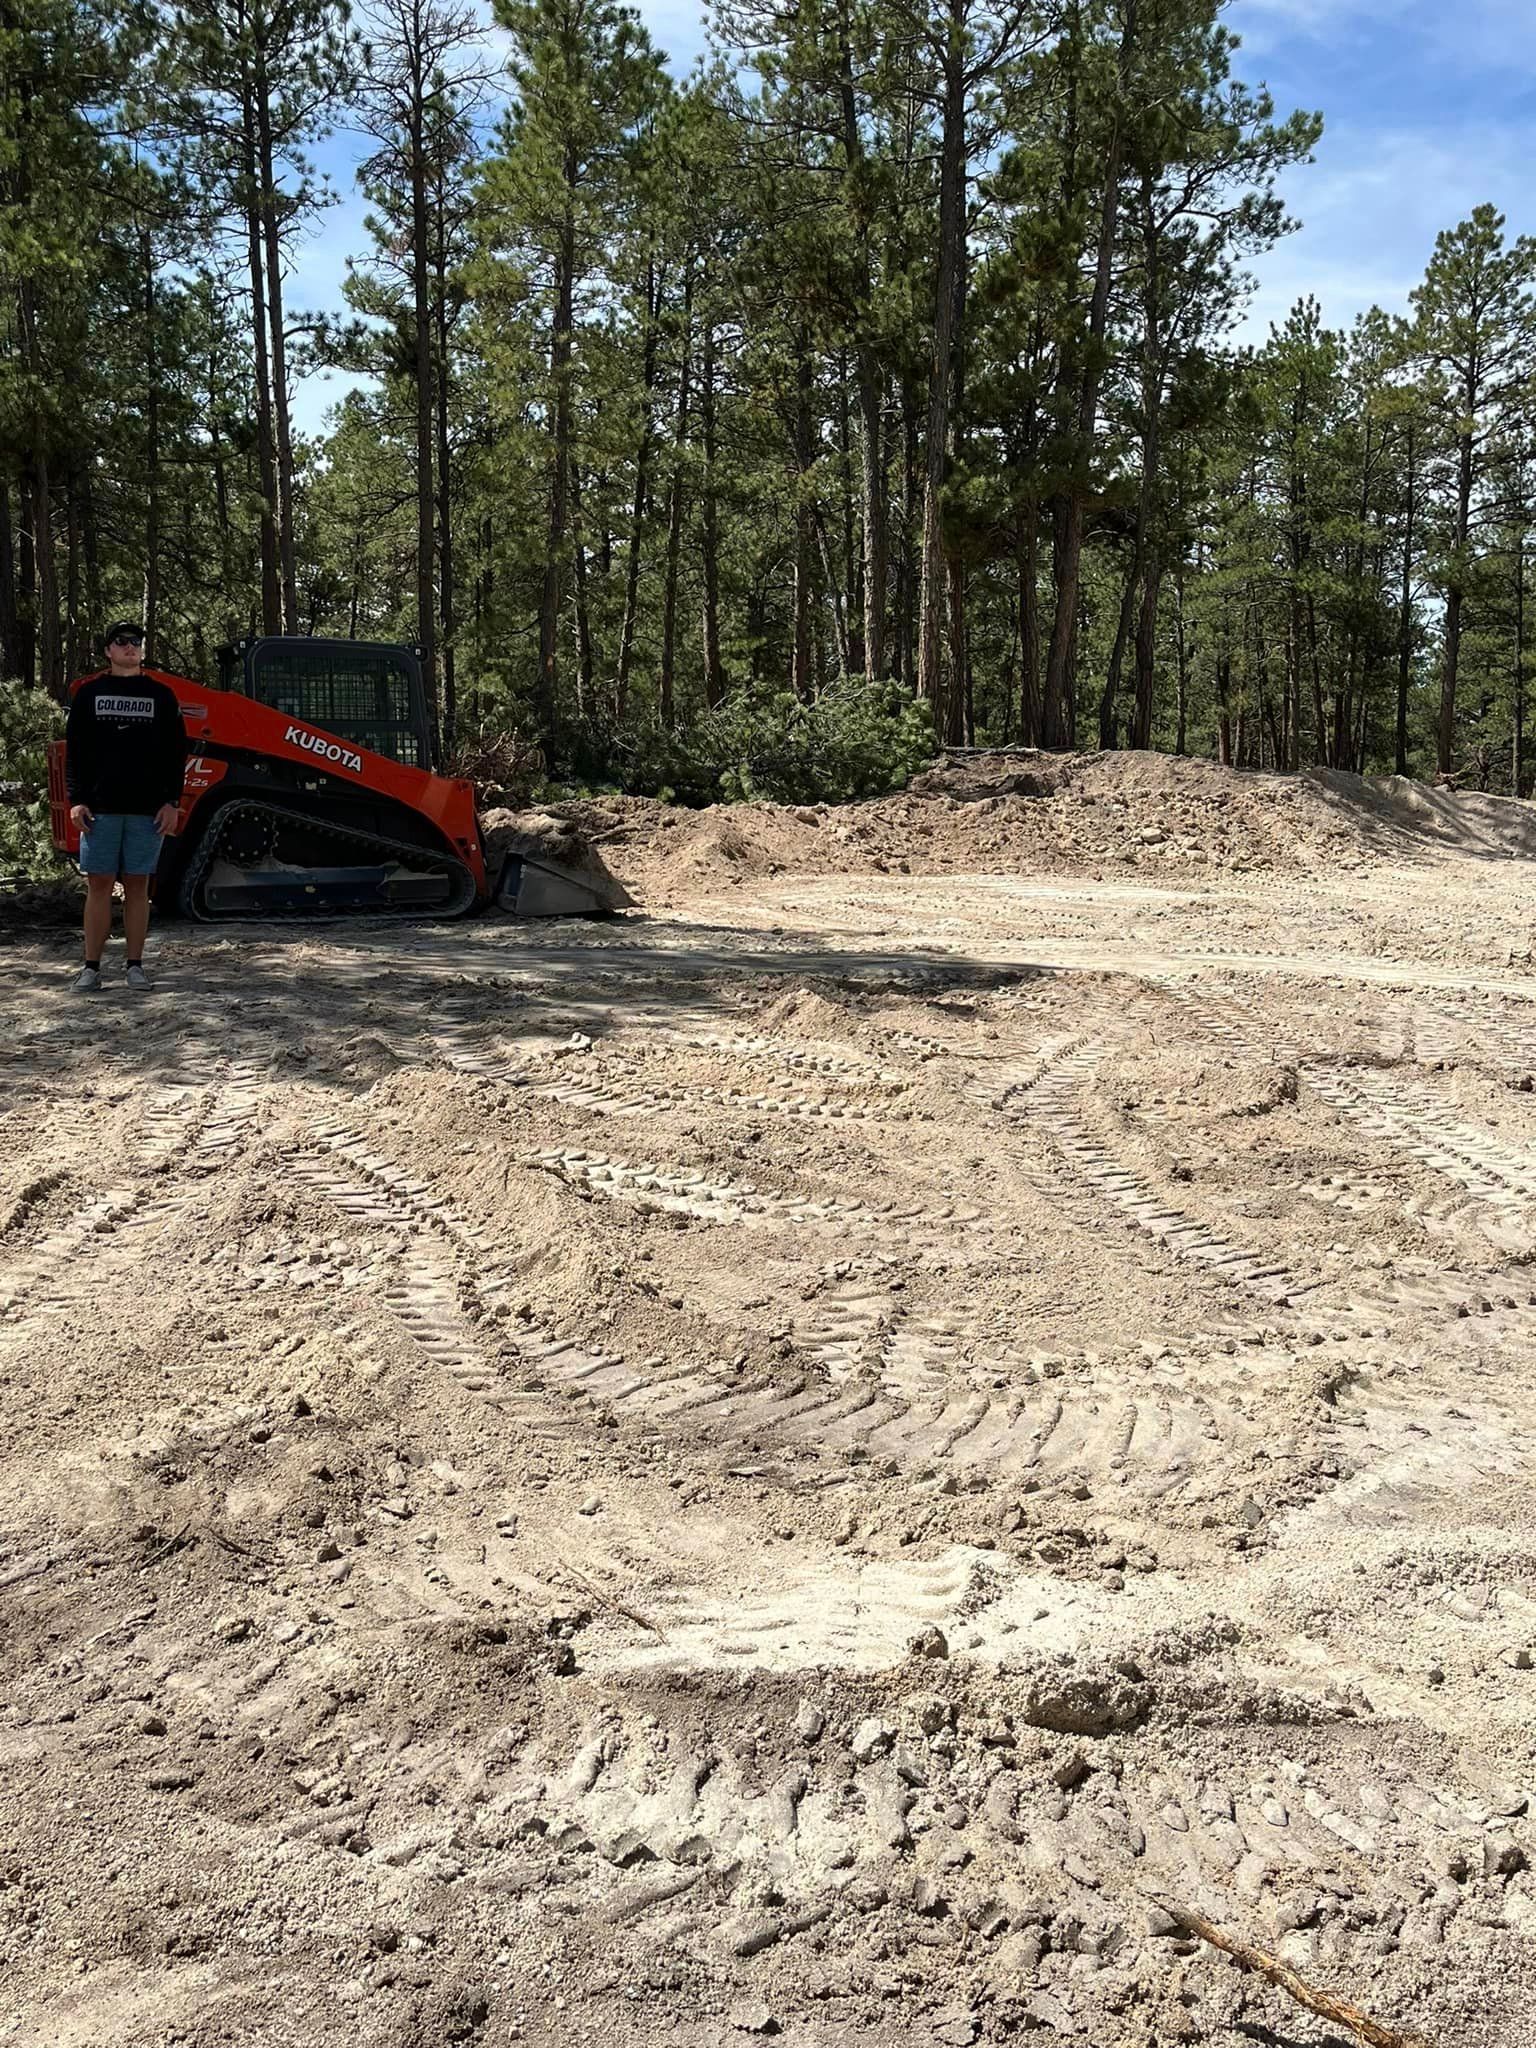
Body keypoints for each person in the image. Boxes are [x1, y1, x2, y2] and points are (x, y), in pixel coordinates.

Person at [63, 622, 187, 994]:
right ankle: (90, 969)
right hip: (99, 808)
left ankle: (135, 967)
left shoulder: (163, 696)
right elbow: (75, 753)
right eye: (121, 642)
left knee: (138, 885)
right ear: (108, 651)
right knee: (98, 884)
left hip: (147, 810)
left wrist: (172, 803)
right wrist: (76, 801)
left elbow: (175, 754)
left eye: (136, 642)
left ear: (141, 652)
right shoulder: (89, 695)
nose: (130, 647)